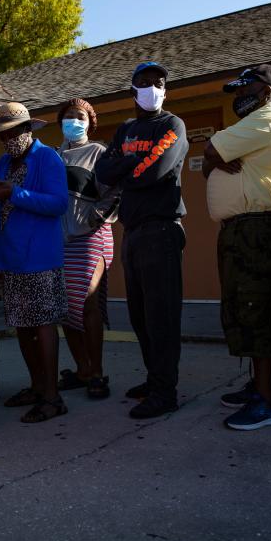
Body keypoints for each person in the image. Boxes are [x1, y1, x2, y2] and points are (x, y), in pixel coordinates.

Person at [202, 64, 271, 430]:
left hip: (255, 228)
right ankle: (257, 385)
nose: (239, 96)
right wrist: (216, 159)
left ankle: (268, 399)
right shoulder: (252, 123)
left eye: (245, 90)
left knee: (253, 308)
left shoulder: (269, 117)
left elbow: (210, 149)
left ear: (267, 90)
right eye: (237, 91)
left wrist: (217, 156)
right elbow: (208, 163)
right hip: (241, 228)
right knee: (242, 308)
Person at [95, 62, 189, 419]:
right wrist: (131, 166)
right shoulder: (126, 129)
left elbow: (158, 169)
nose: (153, 87)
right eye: (145, 82)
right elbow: (103, 172)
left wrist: (127, 168)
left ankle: (166, 391)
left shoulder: (172, 125)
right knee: (139, 314)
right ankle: (154, 378)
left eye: (159, 83)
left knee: (161, 315)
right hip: (132, 231)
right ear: (132, 89)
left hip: (161, 228)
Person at [0, 103, 70, 422]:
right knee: (22, 325)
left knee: (43, 325)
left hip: (40, 258)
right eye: (2, 135)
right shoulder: (4, 162)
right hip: (11, 257)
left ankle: (52, 396)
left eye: (12, 132)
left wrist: (14, 193)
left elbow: (58, 203)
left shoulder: (47, 157)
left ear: (27, 130)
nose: (7, 139)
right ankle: (36, 386)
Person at [55, 98, 119, 399]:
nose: (74, 121)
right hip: (60, 240)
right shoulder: (53, 155)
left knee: (87, 303)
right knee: (66, 307)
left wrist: (98, 215)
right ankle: (81, 369)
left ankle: (97, 372)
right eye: (68, 116)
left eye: (79, 116)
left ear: (90, 121)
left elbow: (117, 192)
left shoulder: (99, 153)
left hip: (92, 236)